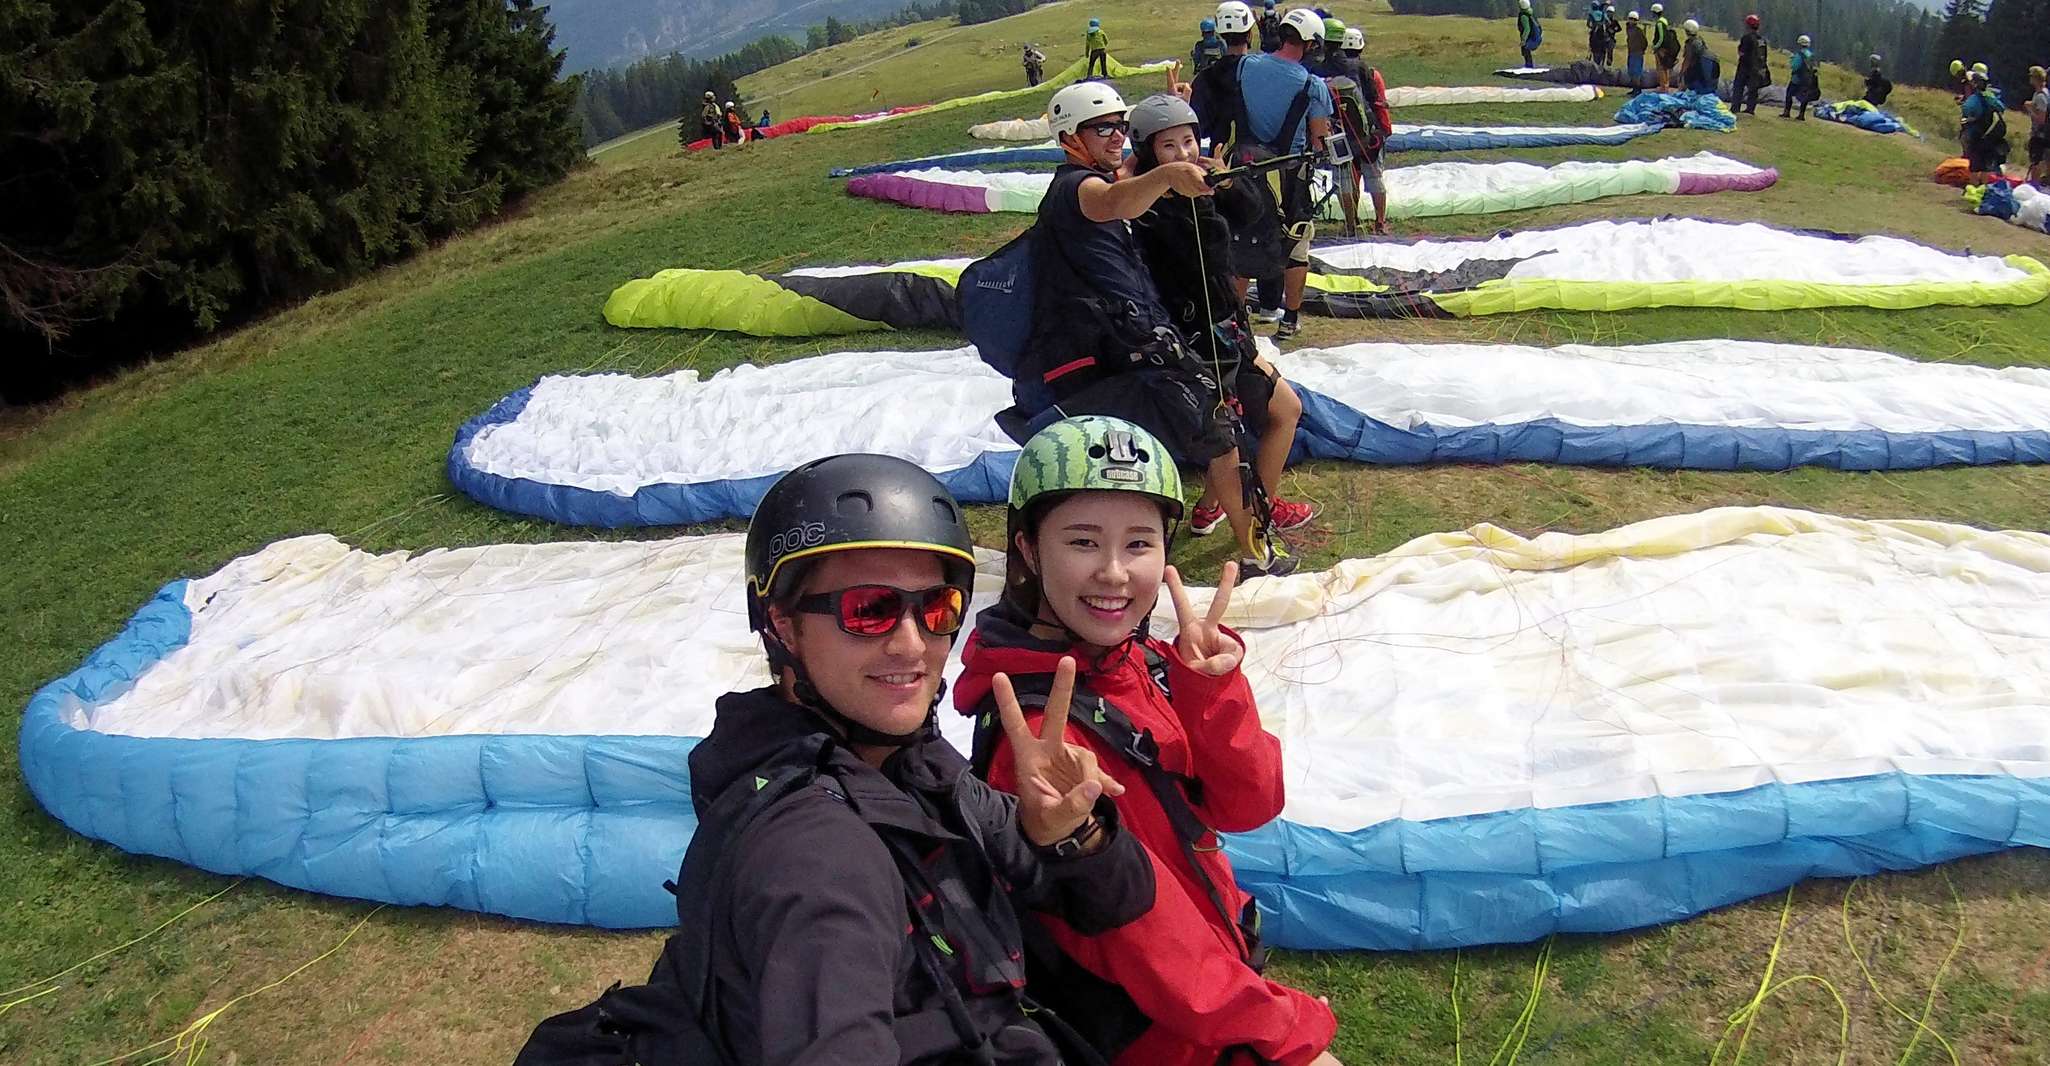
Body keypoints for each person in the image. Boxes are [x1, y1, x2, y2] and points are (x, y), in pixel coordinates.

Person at [514, 455, 1159, 1066]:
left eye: (937, 609)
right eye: (868, 611)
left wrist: (1075, 833)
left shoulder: (906, 765)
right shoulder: (819, 858)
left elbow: (1121, 901)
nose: (913, 645)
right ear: (783, 624)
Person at [956, 416, 1344, 1066]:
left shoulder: (1143, 662)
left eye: (1138, 544)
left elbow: (1248, 806)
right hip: (1167, 1031)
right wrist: (1285, 1029)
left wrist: (1212, 690)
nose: (1114, 572)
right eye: (1082, 542)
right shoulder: (1039, 742)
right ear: (1027, 549)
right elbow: (1148, 946)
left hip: (1213, 988)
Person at [1025, 81, 1300, 574]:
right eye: (1102, 128)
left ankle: (1243, 524)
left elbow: (1131, 170)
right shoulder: (1078, 188)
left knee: (1247, 422)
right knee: (1219, 438)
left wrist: (1172, 120)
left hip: (1147, 333)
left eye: (1120, 128)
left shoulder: (1103, 172)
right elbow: (1119, 201)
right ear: (1070, 137)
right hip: (1130, 344)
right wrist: (1170, 174)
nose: (1115, 137)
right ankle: (1258, 551)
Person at [1124, 94, 1314, 537]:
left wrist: (1224, 181)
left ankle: (1217, 508)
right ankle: (1254, 517)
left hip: (1227, 325)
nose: (1184, 154)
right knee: (1238, 432)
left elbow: (1251, 213)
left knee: (1280, 412)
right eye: (1168, 146)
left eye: (1188, 141)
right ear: (1148, 153)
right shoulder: (1145, 206)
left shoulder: (1204, 185)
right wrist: (1162, 179)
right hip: (1193, 338)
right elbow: (1122, 188)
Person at [1213, 8, 1332, 341]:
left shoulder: (1246, 66)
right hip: (1289, 176)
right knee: (1295, 247)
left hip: (1242, 170)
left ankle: (1236, 323)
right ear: (1310, 44)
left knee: (1239, 243)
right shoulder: (1312, 85)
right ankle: (1289, 318)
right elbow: (1319, 137)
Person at [1326, 26, 1392, 235]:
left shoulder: (1326, 69)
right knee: (1375, 178)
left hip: (1340, 133)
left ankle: (1350, 224)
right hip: (1368, 134)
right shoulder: (1367, 70)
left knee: (1346, 180)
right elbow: (1376, 101)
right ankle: (1380, 223)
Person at [1963, 68, 2011, 184]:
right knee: (1985, 166)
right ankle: (1983, 189)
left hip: (1977, 135)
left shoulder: (1974, 99)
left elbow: (1967, 111)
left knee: (1974, 166)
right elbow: (2001, 108)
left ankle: (1973, 189)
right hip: (1990, 136)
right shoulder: (1991, 97)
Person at [1733, 15, 1769, 114]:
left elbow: (1742, 52)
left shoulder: (1747, 38)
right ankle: (1750, 109)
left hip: (1745, 66)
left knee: (1738, 87)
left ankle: (1735, 108)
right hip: (1757, 68)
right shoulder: (1761, 40)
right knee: (1753, 89)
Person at [1781, 35, 1816, 119]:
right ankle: (1801, 114)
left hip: (1797, 79)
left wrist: (1792, 59)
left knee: (1789, 93)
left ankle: (1787, 112)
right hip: (1808, 79)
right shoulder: (1810, 55)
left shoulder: (1799, 54)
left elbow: (1794, 66)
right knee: (1804, 96)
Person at [1678, 19, 1716, 95]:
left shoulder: (1690, 43)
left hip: (1696, 71)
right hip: (1706, 71)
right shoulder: (1700, 40)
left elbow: (1687, 60)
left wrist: (1681, 74)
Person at [2028, 65, 2049, 186]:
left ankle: (2034, 186)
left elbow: (2041, 118)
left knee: (2036, 161)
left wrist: (2029, 109)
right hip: (2045, 133)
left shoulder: (2040, 96)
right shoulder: (2045, 93)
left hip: (2039, 133)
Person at [1650, 3, 1679, 92]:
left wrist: (1655, 47)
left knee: (1661, 68)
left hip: (1661, 49)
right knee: (1665, 68)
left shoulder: (1659, 23)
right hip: (1666, 49)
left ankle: (1663, 87)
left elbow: (1661, 38)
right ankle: (1666, 86)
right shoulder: (1664, 21)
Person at [1625, 10, 1648, 87]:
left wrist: (1642, 50)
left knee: (1636, 72)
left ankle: (1637, 89)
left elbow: (1645, 42)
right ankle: (1634, 87)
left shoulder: (1639, 31)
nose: (1631, 21)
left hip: (1638, 53)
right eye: (1630, 19)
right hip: (1631, 52)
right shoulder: (1629, 29)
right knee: (1631, 71)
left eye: (1633, 19)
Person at [1516, 0, 1541, 67]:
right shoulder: (1530, 13)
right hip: (1536, 37)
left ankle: (1529, 66)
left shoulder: (1523, 16)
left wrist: (1523, 39)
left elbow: (1527, 29)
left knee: (1525, 49)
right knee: (1526, 50)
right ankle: (1529, 65)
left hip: (1530, 38)